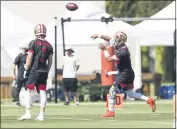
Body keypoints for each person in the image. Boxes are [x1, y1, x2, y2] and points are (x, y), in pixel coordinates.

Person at [91, 31, 156, 118]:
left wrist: (105, 50)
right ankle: (149, 100)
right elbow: (108, 38)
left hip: (125, 74)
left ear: (123, 39)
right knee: (131, 94)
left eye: (120, 35)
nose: (117, 36)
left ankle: (111, 112)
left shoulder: (123, 51)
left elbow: (109, 59)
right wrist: (98, 35)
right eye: (117, 34)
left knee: (112, 90)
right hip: (128, 72)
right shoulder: (117, 44)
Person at [18, 24, 53, 121]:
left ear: (36, 31)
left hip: (34, 70)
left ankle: (28, 113)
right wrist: (47, 71)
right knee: (42, 91)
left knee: (28, 90)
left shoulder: (33, 43)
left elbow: (29, 57)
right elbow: (50, 62)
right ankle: (41, 114)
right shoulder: (49, 45)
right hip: (44, 71)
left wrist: (26, 69)